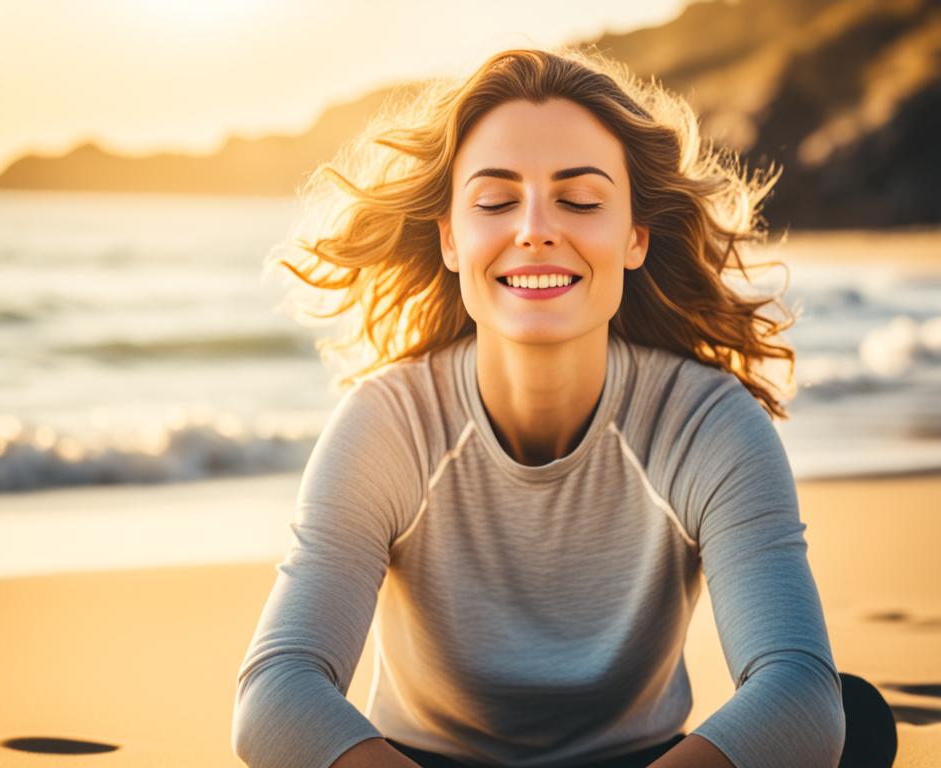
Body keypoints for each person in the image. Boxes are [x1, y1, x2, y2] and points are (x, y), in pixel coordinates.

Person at [231, 47, 897, 768]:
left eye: (580, 200)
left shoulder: (707, 421)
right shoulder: (390, 423)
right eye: (495, 202)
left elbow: (798, 692)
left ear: (635, 235)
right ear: (451, 238)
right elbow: (277, 693)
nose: (535, 229)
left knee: (854, 720)